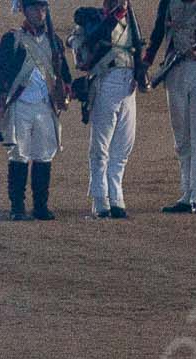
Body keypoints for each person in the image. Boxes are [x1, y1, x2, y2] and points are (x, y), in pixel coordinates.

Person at [0, 0, 71, 221]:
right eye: (35, 8)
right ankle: (17, 206)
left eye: (43, 8)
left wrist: (65, 92)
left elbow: (64, 74)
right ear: (25, 11)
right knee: (19, 155)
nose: (40, 12)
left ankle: (40, 205)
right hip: (20, 104)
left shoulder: (54, 41)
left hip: (45, 106)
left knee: (44, 156)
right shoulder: (13, 39)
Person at [143, 0, 196, 212]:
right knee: (181, 134)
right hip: (174, 69)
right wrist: (145, 63)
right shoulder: (168, 4)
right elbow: (157, 34)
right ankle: (186, 192)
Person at [69, 0, 144, 218]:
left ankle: (116, 195)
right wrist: (114, 16)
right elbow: (95, 38)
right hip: (106, 79)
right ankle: (100, 199)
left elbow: (136, 45)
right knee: (101, 145)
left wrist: (140, 70)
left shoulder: (130, 17)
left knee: (123, 144)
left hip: (128, 81)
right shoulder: (93, 17)